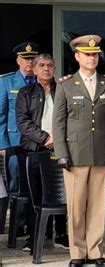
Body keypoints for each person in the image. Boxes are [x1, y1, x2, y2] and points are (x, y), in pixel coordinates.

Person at [53, 34, 105, 267]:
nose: (92, 58)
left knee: (97, 206)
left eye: (94, 55)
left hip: (102, 153)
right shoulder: (64, 85)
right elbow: (59, 123)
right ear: (77, 57)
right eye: (87, 55)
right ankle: (77, 252)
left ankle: (95, 251)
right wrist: (61, 153)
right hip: (74, 154)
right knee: (76, 206)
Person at [15, 53, 69, 251]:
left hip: (60, 148)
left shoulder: (63, 90)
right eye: (42, 65)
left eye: (50, 65)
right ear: (35, 69)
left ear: (54, 69)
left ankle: (62, 235)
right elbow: (22, 122)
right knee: (34, 195)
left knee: (62, 192)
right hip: (34, 150)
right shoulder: (25, 93)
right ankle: (34, 236)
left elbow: (70, 117)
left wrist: (58, 138)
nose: (46, 68)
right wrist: (45, 138)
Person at [0, 42, 39, 200]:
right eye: (26, 58)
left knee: (37, 182)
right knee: (17, 182)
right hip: (15, 142)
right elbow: (1, 115)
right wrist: (3, 145)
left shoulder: (42, 81)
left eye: (32, 58)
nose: (29, 62)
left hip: (38, 141)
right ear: (18, 61)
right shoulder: (6, 82)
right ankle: (19, 223)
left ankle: (34, 223)